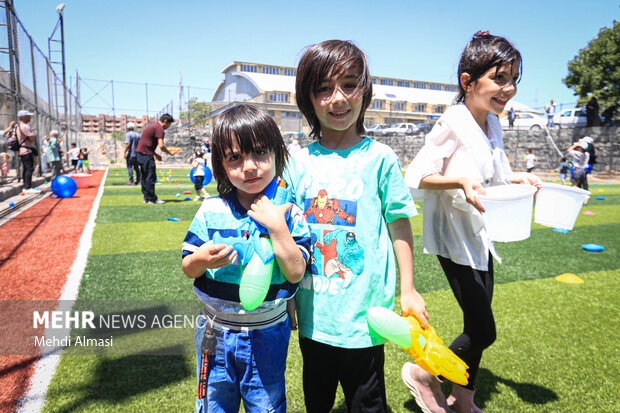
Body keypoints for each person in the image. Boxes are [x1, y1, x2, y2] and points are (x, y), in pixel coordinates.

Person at [285, 39, 428, 413]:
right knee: (317, 403)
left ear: (365, 91)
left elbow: (399, 224)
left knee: (368, 405)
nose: (338, 98)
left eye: (349, 84)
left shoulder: (380, 159)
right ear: (308, 98)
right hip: (313, 316)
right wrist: (284, 296)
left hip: (365, 319)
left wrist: (408, 290)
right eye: (324, 89)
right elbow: (284, 232)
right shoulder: (297, 163)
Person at [404, 31, 540, 413]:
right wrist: (459, 181)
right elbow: (416, 177)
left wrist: (520, 178)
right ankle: (423, 372)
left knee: (476, 327)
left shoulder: (492, 122)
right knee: (483, 330)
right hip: (453, 237)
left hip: (481, 235)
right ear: (468, 81)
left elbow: (493, 174)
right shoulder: (453, 121)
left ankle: (463, 398)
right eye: (499, 78)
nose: (508, 88)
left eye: (513, 79)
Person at [181, 104, 312, 413]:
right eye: (235, 158)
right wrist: (201, 259)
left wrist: (277, 227)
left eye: (259, 153)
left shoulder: (290, 213)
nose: (249, 167)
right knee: (212, 405)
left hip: (266, 332)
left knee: (265, 405)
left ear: (277, 154)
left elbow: (295, 272)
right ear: (221, 165)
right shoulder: (211, 210)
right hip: (215, 331)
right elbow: (188, 266)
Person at [135, 113, 175, 204]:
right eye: (169, 124)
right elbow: (161, 145)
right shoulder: (160, 129)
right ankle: (152, 199)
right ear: (165, 121)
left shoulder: (153, 126)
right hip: (146, 155)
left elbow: (147, 143)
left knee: (144, 176)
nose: (169, 126)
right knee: (150, 176)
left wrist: (156, 154)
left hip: (141, 153)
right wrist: (169, 152)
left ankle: (146, 197)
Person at [16, 110, 39, 193]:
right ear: (23, 117)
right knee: (30, 168)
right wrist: (33, 136)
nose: (30, 117)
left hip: (21, 150)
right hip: (26, 150)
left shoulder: (17, 126)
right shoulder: (25, 126)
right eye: (28, 116)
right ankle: (27, 188)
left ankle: (25, 186)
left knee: (26, 168)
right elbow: (31, 139)